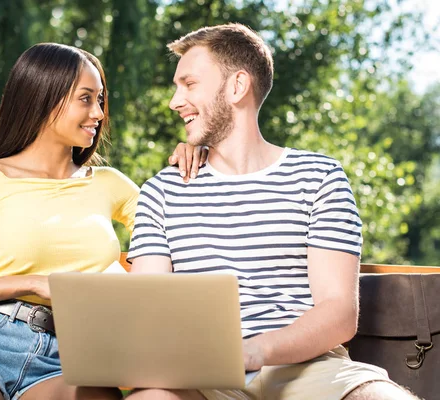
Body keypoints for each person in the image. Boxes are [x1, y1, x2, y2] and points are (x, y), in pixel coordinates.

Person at [126, 24, 418, 400]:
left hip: (310, 368)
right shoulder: (161, 191)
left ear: (237, 86)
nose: (174, 101)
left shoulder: (319, 177)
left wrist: (252, 351)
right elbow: (149, 306)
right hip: (202, 376)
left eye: (189, 84)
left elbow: (339, 312)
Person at [0, 43, 205, 400]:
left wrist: (199, 157)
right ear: (44, 97)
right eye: (86, 99)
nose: (99, 112)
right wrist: (36, 283)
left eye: (101, 99)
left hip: (78, 354)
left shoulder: (110, 184)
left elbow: (185, 229)